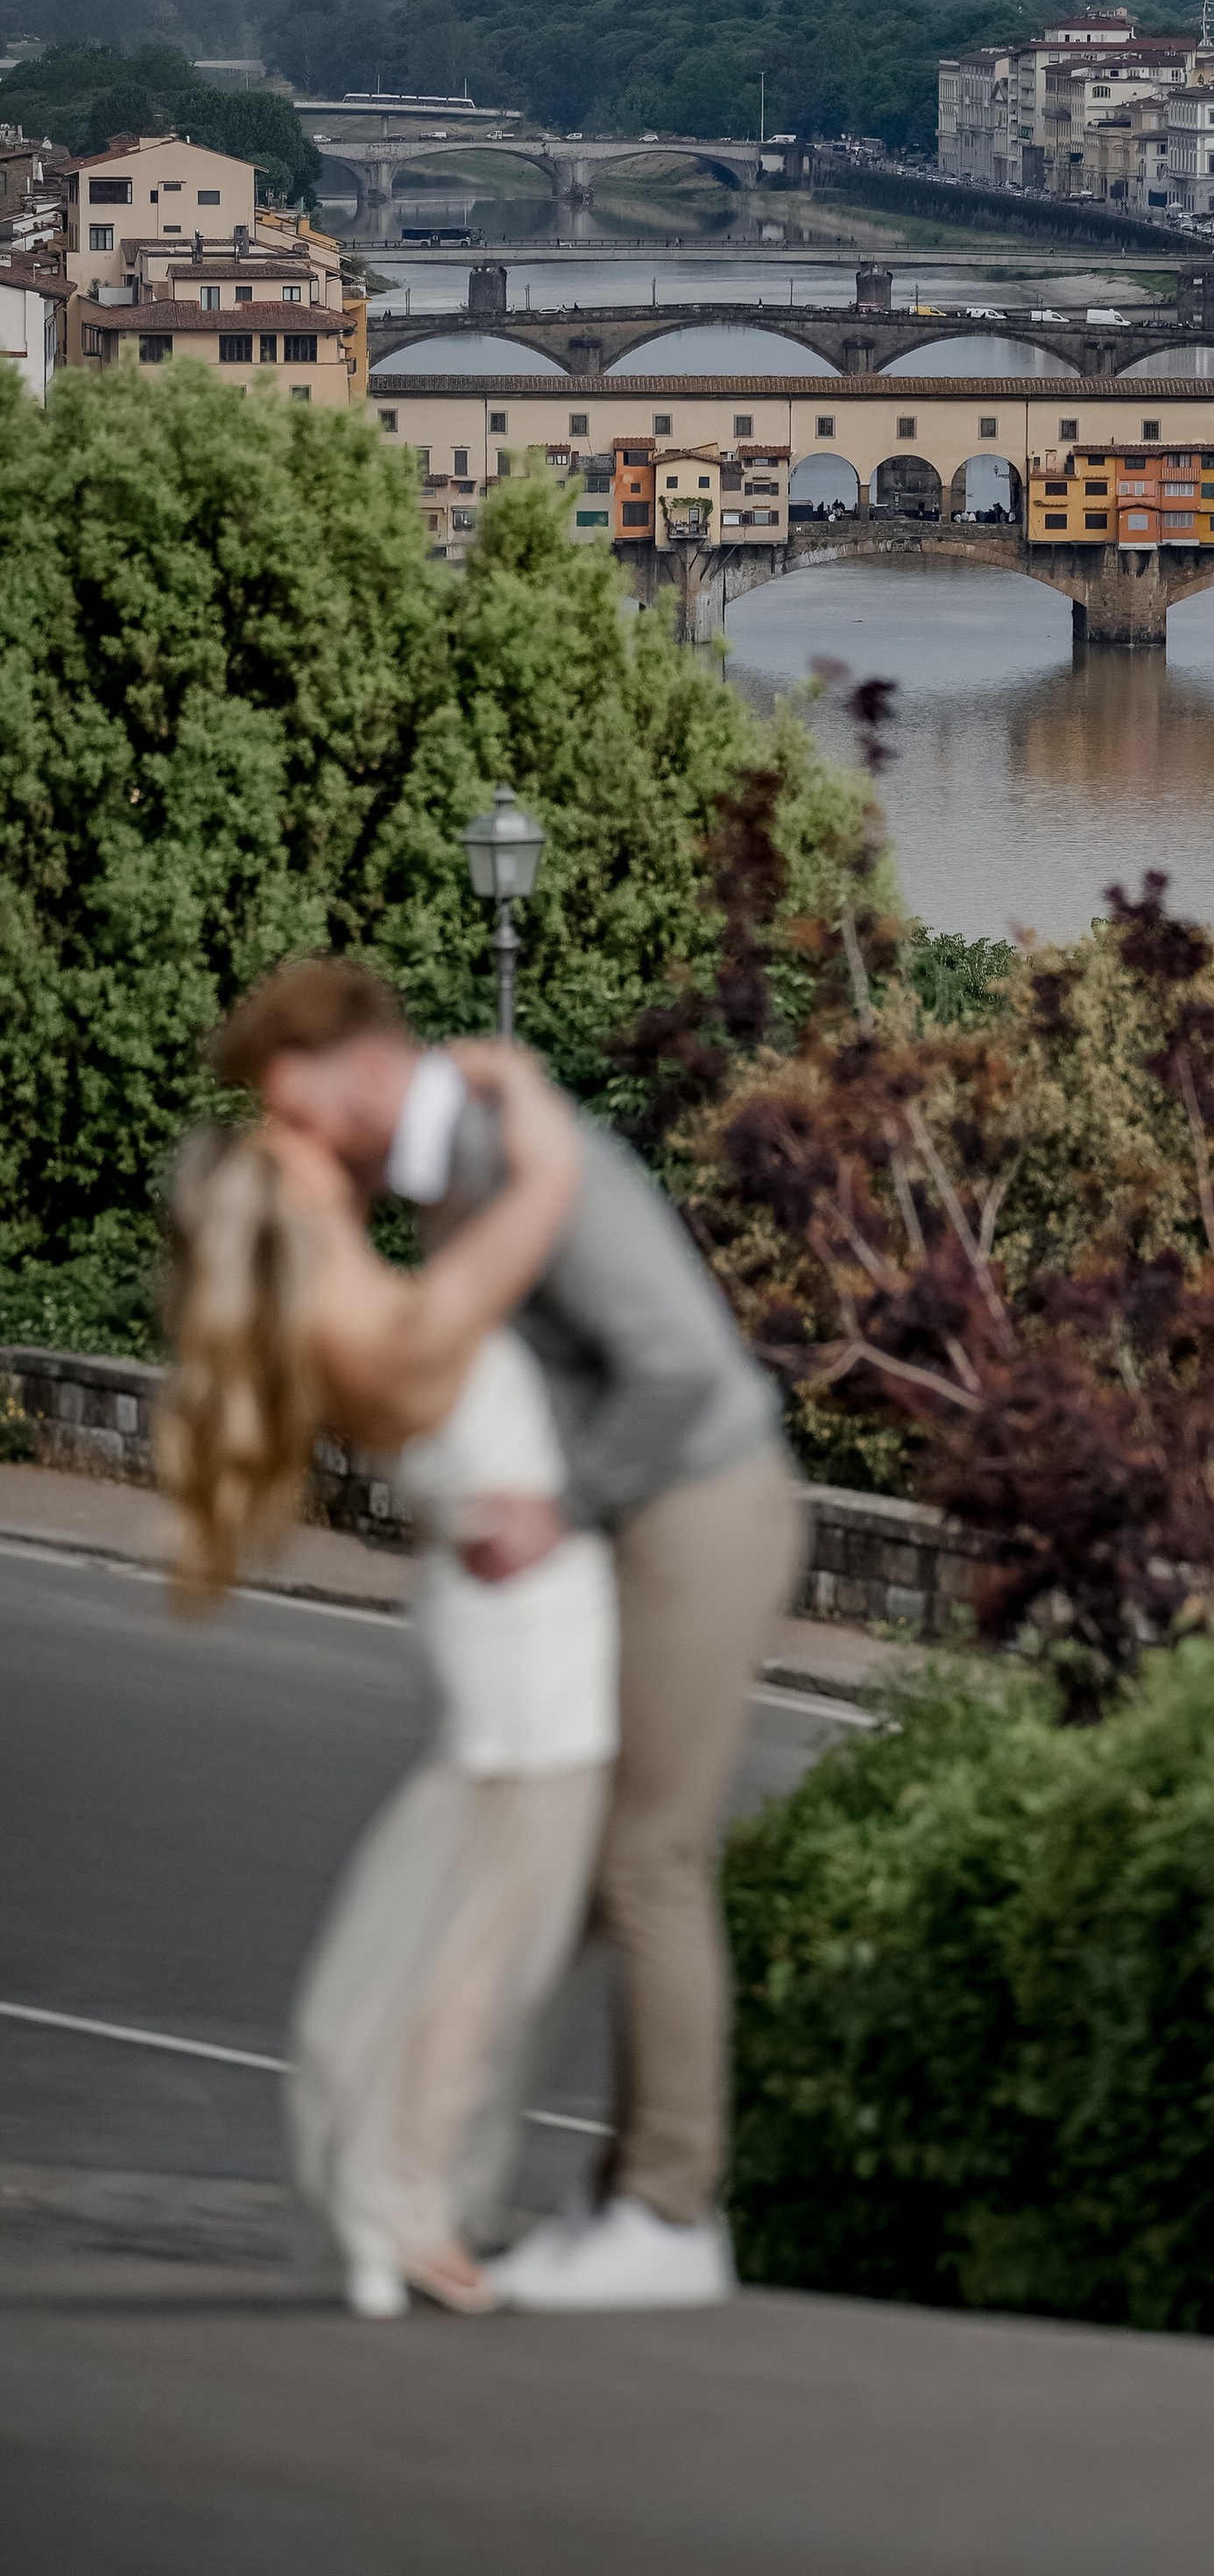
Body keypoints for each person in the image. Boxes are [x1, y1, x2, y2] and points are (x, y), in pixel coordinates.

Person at [210, 958, 805, 2312]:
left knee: (646, 1864)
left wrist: (559, 1508)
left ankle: (666, 2215)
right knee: (598, 1872)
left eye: (292, 1108)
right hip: (644, 1516)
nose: (285, 1138)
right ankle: (605, 2203)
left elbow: (678, 1369)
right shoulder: (461, 1165)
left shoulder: (500, 1150)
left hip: (695, 1510)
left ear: (361, 1068)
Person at [161, 1044, 602, 2317]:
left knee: (470, 1926)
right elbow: (548, 1187)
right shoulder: (400, 1320)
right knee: (486, 1952)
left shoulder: (350, 1318)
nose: (325, 1148)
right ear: (297, 1204)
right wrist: (501, 1076)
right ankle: (404, 2208)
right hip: (531, 1646)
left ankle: (388, 2212)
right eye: (301, 1153)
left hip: (510, 1625)